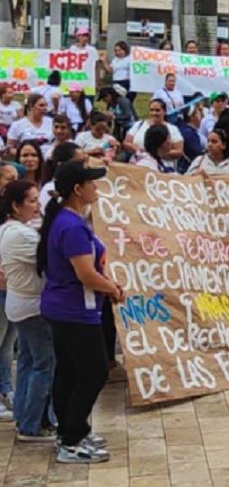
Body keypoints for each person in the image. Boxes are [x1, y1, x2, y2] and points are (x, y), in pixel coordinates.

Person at [38, 161, 124, 462]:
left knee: (70, 372)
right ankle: (72, 439)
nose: (96, 187)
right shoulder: (71, 226)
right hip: (74, 310)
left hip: (65, 307)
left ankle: (70, 431)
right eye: (91, 182)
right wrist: (111, 288)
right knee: (94, 371)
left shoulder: (65, 219)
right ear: (77, 189)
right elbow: (86, 274)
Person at [0, 180, 56, 441]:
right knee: (44, 365)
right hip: (31, 306)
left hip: (20, 302)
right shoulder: (19, 234)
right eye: (32, 201)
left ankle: (24, 417)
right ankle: (34, 423)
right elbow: (49, 258)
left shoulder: (11, 230)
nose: (37, 206)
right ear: (15, 205)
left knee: (27, 363)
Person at [123, 99, 184, 169]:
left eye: (157, 110)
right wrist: (138, 149)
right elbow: (126, 142)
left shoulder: (173, 129)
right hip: (138, 165)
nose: (154, 113)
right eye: (151, 110)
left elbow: (179, 151)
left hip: (164, 169)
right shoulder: (139, 125)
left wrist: (158, 154)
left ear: (164, 111)